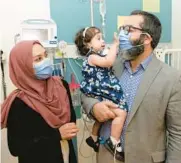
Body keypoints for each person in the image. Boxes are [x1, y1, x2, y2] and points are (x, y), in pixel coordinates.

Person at [81, 10, 181, 163]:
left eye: (129, 30)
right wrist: (94, 107)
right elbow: (87, 89)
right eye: (122, 29)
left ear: (146, 38)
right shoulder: (110, 64)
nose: (122, 35)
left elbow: (177, 133)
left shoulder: (171, 79)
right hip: (107, 157)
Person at [1, 41, 79, 163]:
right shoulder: (19, 103)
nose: (46, 61)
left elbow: (71, 120)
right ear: (23, 66)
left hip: (66, 155)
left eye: (45, 55)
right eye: (38, 59)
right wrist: (56, 135)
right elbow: (16, 148)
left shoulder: (61, 86)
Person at [74, 26, 128, 160]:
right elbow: (109, 61)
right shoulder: (92, 57)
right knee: (121, 113)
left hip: (99, 91)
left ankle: (93, 138)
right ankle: (114, 141)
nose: (103, 41)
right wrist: (115, 44)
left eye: (102, 38)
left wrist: (111, 49)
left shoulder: (96, 56)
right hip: (101, 90)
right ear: (87, 44)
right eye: (98, 38)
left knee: (101, 118)